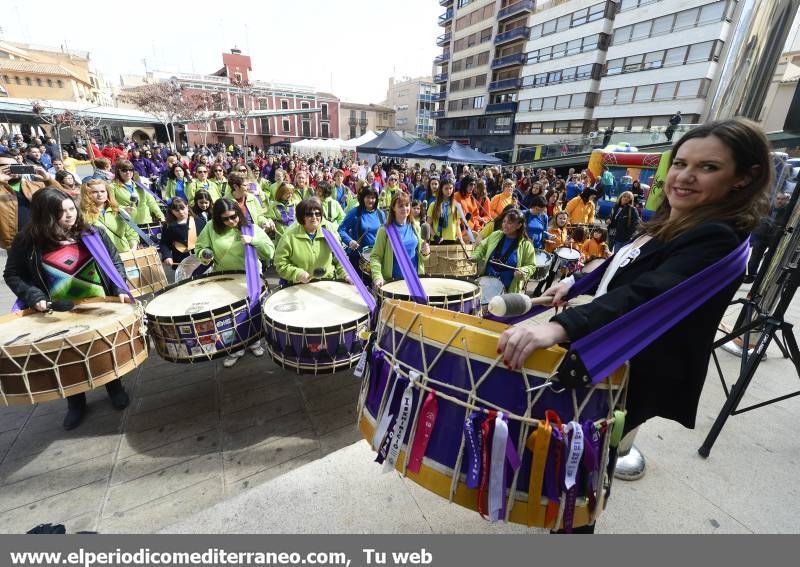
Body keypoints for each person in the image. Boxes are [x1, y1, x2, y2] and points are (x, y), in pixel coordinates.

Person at [498, 119, 771, 515]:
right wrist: (575, 285)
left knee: (580, 474)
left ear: (745, 177)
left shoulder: (716, 236)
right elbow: (627, 262)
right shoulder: (680, 217)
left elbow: (647, 292)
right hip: (611, 346)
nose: (685, 176)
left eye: (707, 167)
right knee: (572, 462)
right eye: (680, 163)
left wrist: (558, 327)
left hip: (627, 363)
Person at [3, 188, 132, 429]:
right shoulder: (26, 241)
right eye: (60, 212)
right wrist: (34, 296)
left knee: (102, 348)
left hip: (99, 304)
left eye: (71, 209)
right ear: (44, 215)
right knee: (67, 358)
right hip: (58, 313)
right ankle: (76, 402)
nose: (69, 215)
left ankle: (115, 387)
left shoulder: (92, 233)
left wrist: (120, 287)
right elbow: (12, 273)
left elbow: (114, 261)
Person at [195, 198, 275, 368]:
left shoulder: (249, 227)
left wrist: (252, 241)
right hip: (224, 278)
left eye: (234, 217)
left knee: (252, 310)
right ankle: (234, 347)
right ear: (217, 218)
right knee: (229, 316)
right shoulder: (210, 227)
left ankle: (254, 341)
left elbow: (269, 251)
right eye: (225, 219)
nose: (231, 221)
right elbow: (199, 248)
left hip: (251, 276)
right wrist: (205, 253)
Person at [274, 198, 348, 284]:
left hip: (326, 283)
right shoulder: (289, 237)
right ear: (301, 217)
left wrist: (345, 274)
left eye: (317, 214)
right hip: (298, 285)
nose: (314, 217)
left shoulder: (329, 235)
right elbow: (280, 264)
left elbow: (341, 259)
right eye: (309, 214)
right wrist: (297, 274)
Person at [0, 152, 60, 249]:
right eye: (5, 166)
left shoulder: (36, 185)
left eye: (15, 165)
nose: (11, 168)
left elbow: (62, 199)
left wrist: (48, 179)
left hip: (43, 238)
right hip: (16, 245)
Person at [370, 193, 430, 289]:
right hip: (393, 283)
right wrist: (377, 277)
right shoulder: (384, 230)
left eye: (407, 205)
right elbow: (375, 256)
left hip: (415, 281)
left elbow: (423, 258)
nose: (405, 208)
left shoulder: (416, 227)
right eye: (400, 206)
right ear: (393, 208)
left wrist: (425, 253)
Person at [471, 208, 536, 293]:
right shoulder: (496, 235)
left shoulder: (526, 245)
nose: (505, 225)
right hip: (486, 284)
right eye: (504, 221)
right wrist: (474, 256)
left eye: (509, 223)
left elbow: (531, 266)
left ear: (519, 225)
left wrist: (523, 271)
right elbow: (482, 247)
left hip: (508, 290)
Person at [80, 180, 138, 253]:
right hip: (104, 257)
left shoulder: (119, 210)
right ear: (87, 194)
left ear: (107, 193)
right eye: (94, 192)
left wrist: (133, 248)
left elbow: (131, 232)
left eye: (102, 191)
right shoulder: (84, 215)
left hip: (125, 253)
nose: (100, 194)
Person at [745, 191, 791, 282]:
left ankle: (763, 278)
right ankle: (752, 275)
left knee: (770, 260)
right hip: (761, 236)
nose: (779, 201)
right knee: (754, 258)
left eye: (782, 199)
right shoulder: (767, 208)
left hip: (774, 238)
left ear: (787, 201)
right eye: (778, 198)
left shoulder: (788, 212)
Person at [109, 160, 164, 226]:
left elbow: (151, 202)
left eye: (131, 169)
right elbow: (111, 205)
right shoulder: (112, 187)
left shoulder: (139, 184)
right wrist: (123, 209)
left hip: (146, 222)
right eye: (124, 170)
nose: (128, 172)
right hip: (128, 224)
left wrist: (161, 217)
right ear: (118, 171)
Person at [339, 185, 386, 260]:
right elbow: (341, 230)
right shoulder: (354, 212)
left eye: (373, 198)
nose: (370, 200)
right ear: (363, 198)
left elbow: (386, 234)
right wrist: (350, 241)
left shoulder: (381, 214)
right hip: (357, 256)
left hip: (376, 257)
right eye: (368, 197)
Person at [159, 196, 206, 271]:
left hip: (200, 259)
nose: (180, 212)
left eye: (182, 208)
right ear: (172, 211)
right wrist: (167, 256)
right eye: (176, 210)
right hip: (181, 261)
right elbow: (164, 243)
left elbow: (206, 239)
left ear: (187, 206)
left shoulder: (199, 221)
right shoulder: (168, 225)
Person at [427, 180, 464, 244]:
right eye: (446, 188)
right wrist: (435, 236)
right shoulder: (433, 205)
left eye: (450, 188)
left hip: (452, 239)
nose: (449, 191)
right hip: (437, 240)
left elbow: (457, 225)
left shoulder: (456, 205)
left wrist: (461, 239)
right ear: (441, 189)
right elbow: (428, 224)